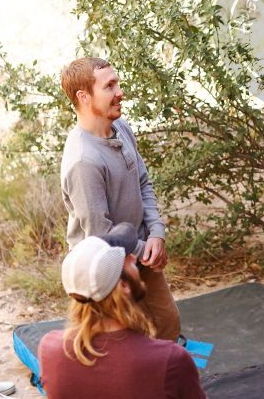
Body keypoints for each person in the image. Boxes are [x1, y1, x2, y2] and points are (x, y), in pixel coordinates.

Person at [59, 57, 180, 340]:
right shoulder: (83, 161)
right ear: (84, 96)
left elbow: (142, 182)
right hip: (105, 268)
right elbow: (100, 235)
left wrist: (156, 234)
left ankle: (161, 380)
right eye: (109, 86)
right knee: (121, 341)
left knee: (167, 324)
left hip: (139, 251)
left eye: (118, 83)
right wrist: (145, 252)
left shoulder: (121, 127)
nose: (120, 92)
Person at [38, 225, 205, 399]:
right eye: (125, 258)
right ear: (123, 286)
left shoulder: (50, 349)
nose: (133, 257)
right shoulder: (170, 360)